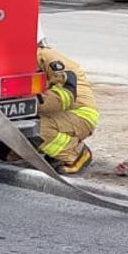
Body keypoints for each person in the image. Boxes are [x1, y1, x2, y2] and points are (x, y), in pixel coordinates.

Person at [34, 33, 99, 174]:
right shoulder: (33, 57)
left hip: (80, 115)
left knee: (36, 128)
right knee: (5, 151)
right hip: (60, 114)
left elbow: (64, 96)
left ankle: (76, 154)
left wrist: (30, 104)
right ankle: (52, 152)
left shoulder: (47, 57)